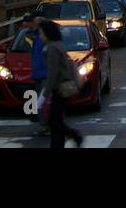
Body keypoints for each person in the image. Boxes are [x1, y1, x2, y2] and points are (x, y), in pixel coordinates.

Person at [39, 19, 83, 148]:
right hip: (62, 86)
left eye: (41, 33)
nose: (40, 36)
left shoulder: (52, 48)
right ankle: (59, 143)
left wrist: (46, 92)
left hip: (59, 88)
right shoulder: (59, 45)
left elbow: (52, 72)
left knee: (55, 121)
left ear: (47, 33)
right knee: (56, 120)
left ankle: (73, 135)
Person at [23, 13, 48, 134]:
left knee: (42, 102)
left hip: (44, 73)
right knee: (40, 101)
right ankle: (45, 125)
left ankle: (47, 125)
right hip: (39, 73)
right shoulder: (35, 36)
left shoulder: (43, 36)